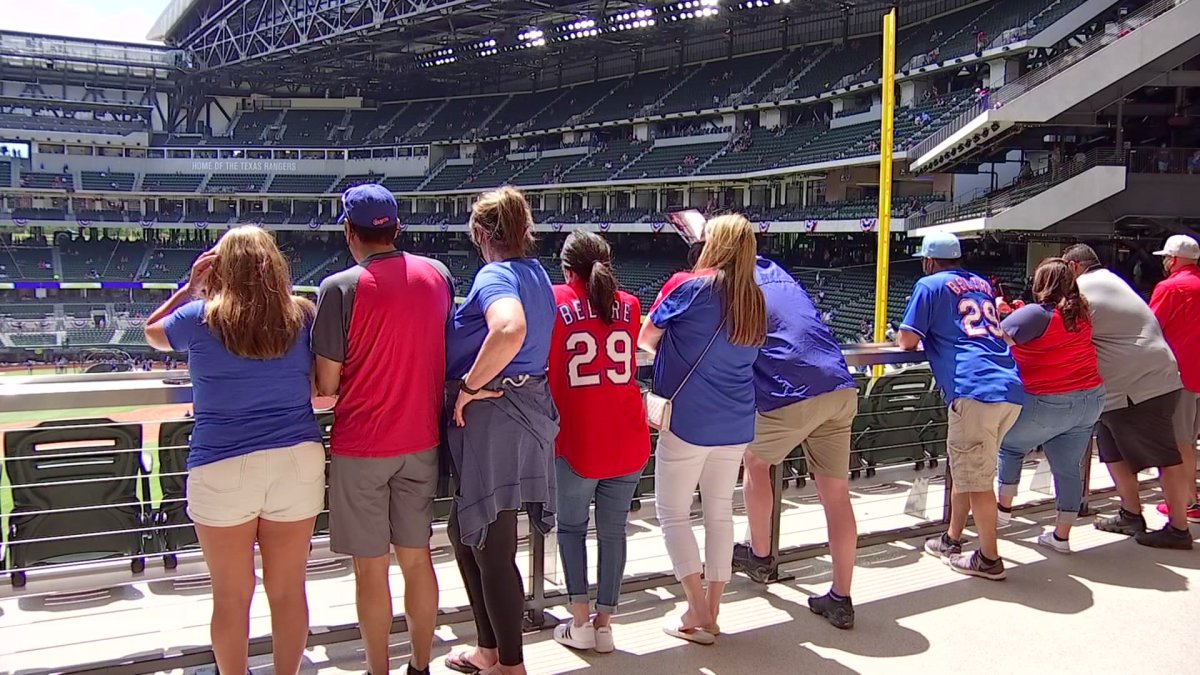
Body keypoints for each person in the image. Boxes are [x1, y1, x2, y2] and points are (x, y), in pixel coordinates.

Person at [144, 226, 323, 675]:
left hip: (221, 462)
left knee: (230, 594)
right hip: (296, 457)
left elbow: (151, 333)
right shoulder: (303, 314)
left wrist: (189, 288)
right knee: (288, 590)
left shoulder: (198, 316)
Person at [312, 184, 453, 675]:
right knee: (418, 561)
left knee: (370, 571)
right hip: (422, 441)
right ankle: (419, 666)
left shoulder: (338, 288)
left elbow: (326, 384)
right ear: (396, 228)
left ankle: (378, 671)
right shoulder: (437, 275)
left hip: (362, 445)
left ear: (350, 232)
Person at [443, 186, 558, 675]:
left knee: (491, 541)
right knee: (466, 531)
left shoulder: (496, 273)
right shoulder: (537, 273)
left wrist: (470, 385)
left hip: (498, 415)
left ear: (483, 233)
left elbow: (507, 329)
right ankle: (489, 649)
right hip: (526, 408)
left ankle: (508, 663)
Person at [639, 214, 766, 644]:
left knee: (673, 512)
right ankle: (712, 609)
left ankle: (695, 608)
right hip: (736, 422)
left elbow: (645, 339)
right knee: (719, 513)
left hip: (689, 420)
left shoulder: (688, 284)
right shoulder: (756, 298)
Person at [733, 255, 859, 628]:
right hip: (839, 384)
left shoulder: (732, 285)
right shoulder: (776, 271)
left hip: (794, 391)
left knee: (756, 462)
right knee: (836, 494)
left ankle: (760, 556)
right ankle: (841, 597)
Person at [897, 232, 1023, 580]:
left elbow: (907, 340)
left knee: (977, 479)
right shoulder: (981, 283)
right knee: (970, 471)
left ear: (929, 261)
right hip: (1008, 386)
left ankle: (988, 558)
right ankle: (952, 539)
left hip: (974, 388)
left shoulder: (930, 283)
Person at [547, 231, 650, 653]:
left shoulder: (554, 299)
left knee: (571, 529)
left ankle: (579, 621)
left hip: (577, 439)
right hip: (628, 437)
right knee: (613, 533)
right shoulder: (628, 304)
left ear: (566, 266)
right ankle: (604, 625)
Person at [1063, 244, 1193, 549]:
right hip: (1130, 386)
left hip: (1139, 387)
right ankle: (1130, 513)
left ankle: (1178, 529)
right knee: (1111, 451)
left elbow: (1062, 331)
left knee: (1165, 456)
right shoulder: (1111, 280)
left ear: (1073, 267)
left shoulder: (1084, 290)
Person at [995, 258, 1106, 554]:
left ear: (1040, 283)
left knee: (1010, 446)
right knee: (1068, 467)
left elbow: (996, 341)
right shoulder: (1081, 312)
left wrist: (999, 312)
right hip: (1090, 398)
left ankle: (1002, 513)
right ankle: (1061, 537)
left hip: (1049, 399)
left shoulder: (1034, 313)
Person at [1149, 234, 1200, 523]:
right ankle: (1191, 497)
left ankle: (1188, 503)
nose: (1165, 263)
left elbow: (1151, 328)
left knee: (1179, 443)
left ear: (1175, 259)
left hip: (1179, 375)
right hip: (1198, 373)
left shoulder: (1170, 287)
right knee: (1190, 441)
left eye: (1166, 258)